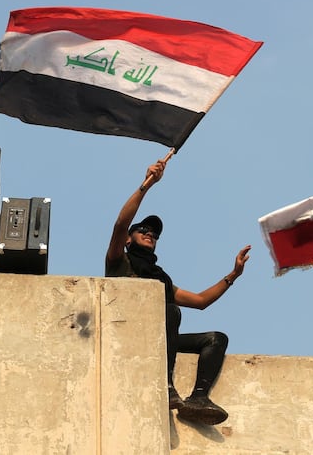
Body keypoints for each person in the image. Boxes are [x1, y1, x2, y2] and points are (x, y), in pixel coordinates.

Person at [105, 159, 251, 425]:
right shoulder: (120, 261)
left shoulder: (160, 279)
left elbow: (200, 301)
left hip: (162, 337)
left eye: (155, 234)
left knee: (216, 339)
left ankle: (198, 399)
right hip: (129, 334)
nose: (150, 234)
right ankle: (166, 385)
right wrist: (146, 185)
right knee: (170, 311)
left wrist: (233, 275)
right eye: (143, 230)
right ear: (129, 238)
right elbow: (118, 225)